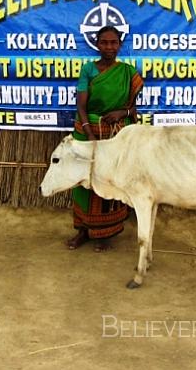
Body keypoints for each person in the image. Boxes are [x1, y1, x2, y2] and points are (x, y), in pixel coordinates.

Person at [67, 25, 144, 252]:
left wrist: (122, 113)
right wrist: (90, 133)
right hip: (87, 131)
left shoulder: (128, 73)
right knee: (83, 181)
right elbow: (81, 105)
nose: (109, 47)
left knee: (111, 181)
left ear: (119, 45)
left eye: (113, 43)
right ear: (97, 44)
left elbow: (134, 112)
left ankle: (106, 233)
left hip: (116, 136)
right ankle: (82, 231)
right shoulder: (88, 70)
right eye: (104, 42)